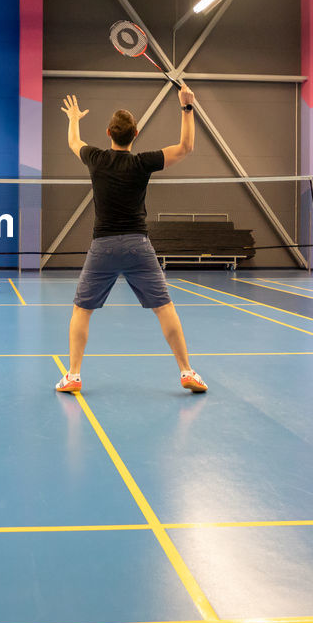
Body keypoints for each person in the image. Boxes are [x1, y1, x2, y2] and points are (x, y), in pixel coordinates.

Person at [56, 86, 206, 394]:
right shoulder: (142, 163)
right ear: (135, 134)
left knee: (81, 311)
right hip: (139, 246)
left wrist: (73, 118)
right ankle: (187, 371)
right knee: (165, 308)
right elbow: (186, 147)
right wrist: (186, 108)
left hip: (103, 247)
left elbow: (73, 141)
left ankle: (73, 376)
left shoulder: (95, 159)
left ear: (108, 132)